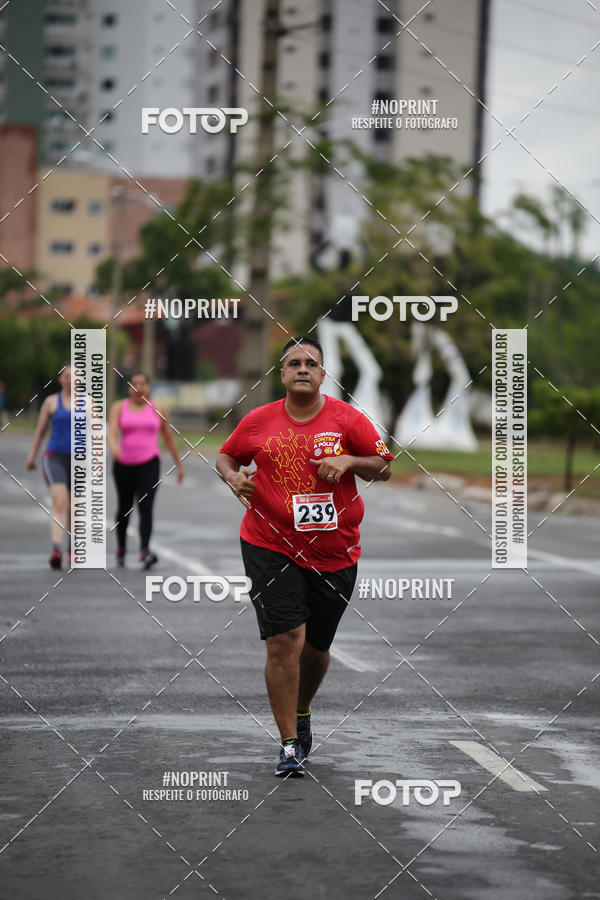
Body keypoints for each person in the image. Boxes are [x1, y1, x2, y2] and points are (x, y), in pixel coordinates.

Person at [216, 337, 393, 777]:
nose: (302, 368)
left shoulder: (347, 419)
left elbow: (385, 466)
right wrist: (234, 477)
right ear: (282, 373)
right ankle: (289, 744)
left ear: (322, 374)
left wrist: (350, 460)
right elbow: (225, 455)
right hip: (269, 543)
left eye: (310, 363)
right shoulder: (258, 421)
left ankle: (303, 709)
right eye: (293, 362)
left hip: (335, 550)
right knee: (284, 641)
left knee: (316, 648)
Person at [107, 372, 184, 569]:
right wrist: (113, 446)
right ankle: (122, 547)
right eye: (134, 384)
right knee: (124, 507)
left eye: (143, 384)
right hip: (123, 464)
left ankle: (145, 550)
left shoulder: (159, 408)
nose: (139, 388)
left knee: (146, 506)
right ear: (129, 388)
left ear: (149, 387)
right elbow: (112, 432)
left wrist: (179, 464)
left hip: (149, 463)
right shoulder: (118, 407)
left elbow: (168, 438)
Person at [25, 364, 73, 569]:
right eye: (67, 375)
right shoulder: (51, 402)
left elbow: (97, 435)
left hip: (80, 461)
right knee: (60, 503)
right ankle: (56, 549)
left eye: (76, 376)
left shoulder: (89, 403)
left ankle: (73, 549)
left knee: (76, 507)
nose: (72, 379)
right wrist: (32, 456)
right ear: (61, 379)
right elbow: (40, 431)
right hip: (54, 458)